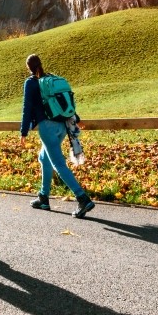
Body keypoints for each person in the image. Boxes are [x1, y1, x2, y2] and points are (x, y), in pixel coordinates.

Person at [19, 53, 95, 218]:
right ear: (40, 64)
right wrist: (78, 119)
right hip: (62, 125)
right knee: (43, 158)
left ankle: (82, 198)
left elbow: (27, 107)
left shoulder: (31, 83)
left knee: (58, 164)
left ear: (28, 68)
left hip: (47, 128)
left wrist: (23, 131)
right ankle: (43, 197)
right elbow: (64, 103)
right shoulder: (50, 79)